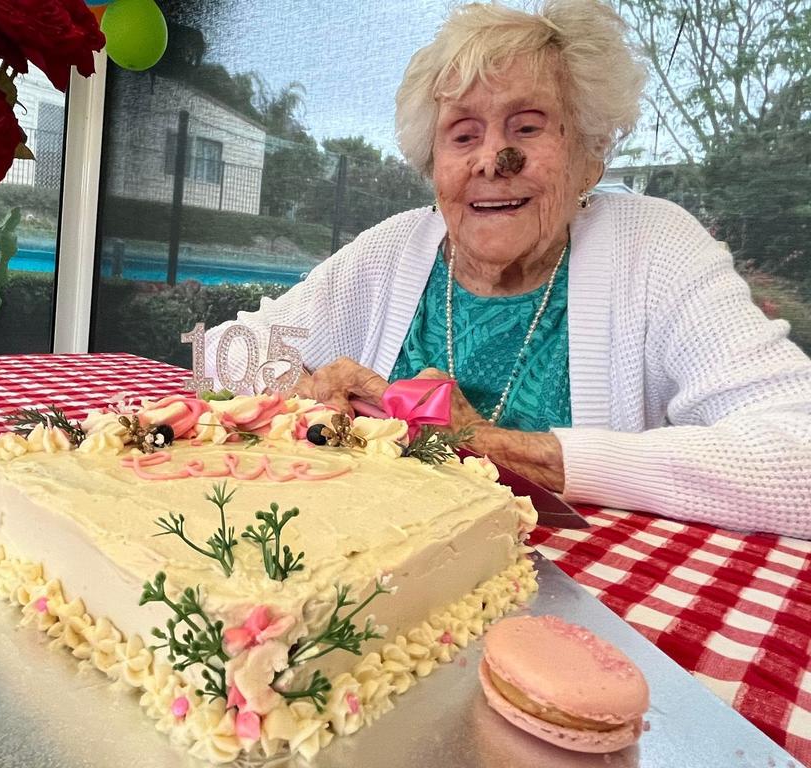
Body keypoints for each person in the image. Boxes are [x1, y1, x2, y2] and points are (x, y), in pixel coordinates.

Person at [206, 0, 811, 539]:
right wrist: (302, 391)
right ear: (433, 164)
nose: (493, 160)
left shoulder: (653, 247)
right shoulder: (395, 247)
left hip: (588, 597)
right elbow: (222, 354)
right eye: (463, 135)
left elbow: (799, 454)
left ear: (589, 156)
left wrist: (513, 452)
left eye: (527, 127)